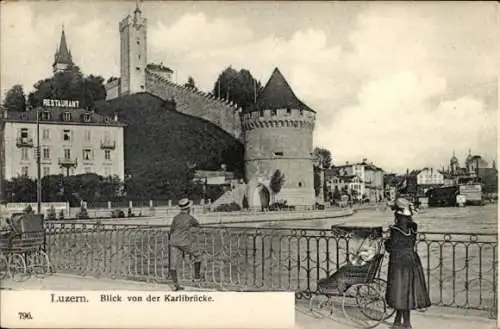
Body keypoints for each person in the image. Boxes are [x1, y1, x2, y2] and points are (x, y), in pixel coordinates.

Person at [385, 198, 431, 329]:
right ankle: (400, 321)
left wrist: (385, 242)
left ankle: (404, 323)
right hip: (412, 261)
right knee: (407, 292)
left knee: (399, 291)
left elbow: (391, 247)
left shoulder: (395, 229)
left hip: (398, 262)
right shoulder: (413, 227)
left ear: (397, 214)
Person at [168, 198, 202, 291]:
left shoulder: (176, 217)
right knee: (198, 256)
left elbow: (171, 230)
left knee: (173, 265)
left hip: (173, 242)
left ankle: (176, 285)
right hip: (184, 243)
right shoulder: (190, 218)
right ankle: (197, 277)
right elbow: (197, 224)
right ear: (189, 208)